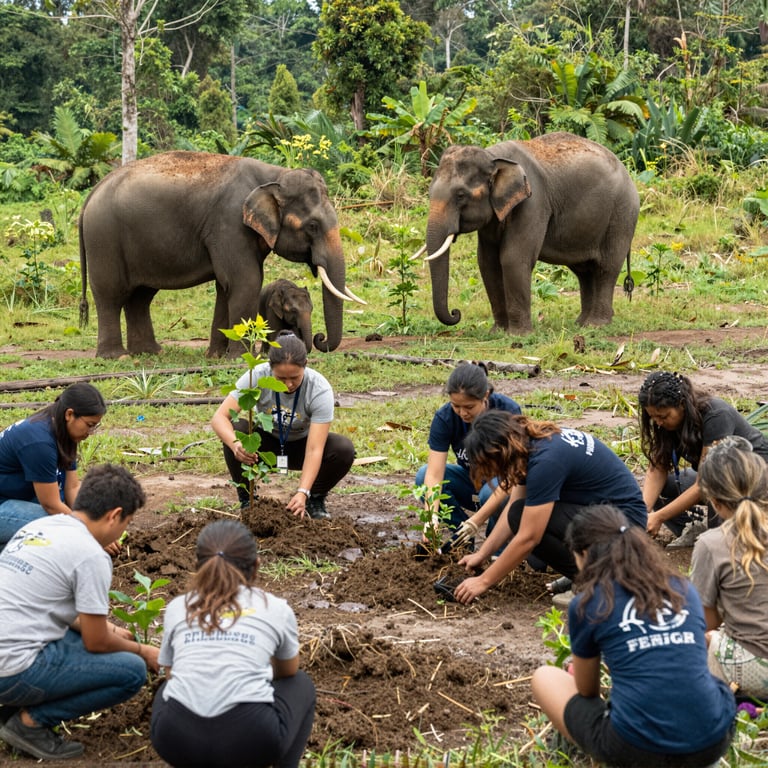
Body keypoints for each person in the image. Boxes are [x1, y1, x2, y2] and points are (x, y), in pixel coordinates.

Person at [531, 504, 736, 767]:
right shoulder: (681, 588)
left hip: (636, 750)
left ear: (584, 554)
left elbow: (587, 690)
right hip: (713, 740)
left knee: (544, 677)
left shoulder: (589, 602)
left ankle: (574, 756)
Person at [0, 464, 159, 761]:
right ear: (114, 515)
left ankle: (10, 709)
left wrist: (110, 629)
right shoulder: (91, 555)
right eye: (128, 521)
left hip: (6, 651)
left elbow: (44, 604)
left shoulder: (40, 526)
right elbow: (95, 643)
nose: (125, 531)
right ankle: (29, 724)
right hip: (10, 670)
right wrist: (143, 650)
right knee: (129, 670)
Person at [150, 519, 315, 768]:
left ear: (198, 567)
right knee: (301, 683)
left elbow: (172, 674)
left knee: (167, 690)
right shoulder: (275, 608)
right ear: (256, 566)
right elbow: (288, 672)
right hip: (251, 739)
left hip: (176, 739)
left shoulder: (177, 607)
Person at [453, 411, 647, 605]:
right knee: (517, 512)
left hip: (625, 531)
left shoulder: (546, 461)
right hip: (613, 521)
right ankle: (591, 572)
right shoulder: (532, 444)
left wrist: (483, 581)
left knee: (525, 522)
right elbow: (513, 506)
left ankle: (600, 580)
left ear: (501, 451)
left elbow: (529, 537)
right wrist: (482, 554)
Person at [211, 331, 355, 520]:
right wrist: (235, 445)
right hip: (264, 447)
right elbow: (219, 418)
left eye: (294, 377)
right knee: (236, 429)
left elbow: (314, 449)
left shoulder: (319, 389)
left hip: (300, 447)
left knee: (343, 449)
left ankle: (314, 500)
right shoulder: (257, 375)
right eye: (280, 378)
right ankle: (248, 501)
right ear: (270, 369)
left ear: (305, 366)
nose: (288, 384)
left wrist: (303, 491)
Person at [638, 370, 768, 544]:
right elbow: (657, 469)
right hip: (717, 479)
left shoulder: (715, 415)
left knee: (715, 489)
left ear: (682, 404)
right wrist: (641, 513)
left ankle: (722, 540)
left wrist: (659, 517)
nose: (659, 422)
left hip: (754, 482)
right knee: (664, 488)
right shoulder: (666, 425)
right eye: (653, 418)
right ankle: (694, 531)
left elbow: (705, 483)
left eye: (663, 416)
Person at [691, 436, 768, 701]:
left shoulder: (711, 544)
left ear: (713, 499)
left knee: (705, 637)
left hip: (755, 671)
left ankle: (719, 707)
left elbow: (705, 622)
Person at [414, 362, 522, 545]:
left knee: (492, 491)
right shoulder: (445, 418)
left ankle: (496, 546)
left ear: (485, 395)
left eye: (469, 407)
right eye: (456, 406)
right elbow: (434, 474)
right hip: (471, 483)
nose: (462, 413)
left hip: (502, 486)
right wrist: (430, 519)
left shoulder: (507, 411)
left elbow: (514, 477)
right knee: (422, 476)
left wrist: (476, 521)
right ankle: (461, 538)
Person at [0, 382, 107, 550]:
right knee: (58, 526)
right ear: (70, 414)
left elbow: (71, 487)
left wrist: (93, 523)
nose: (91, 432)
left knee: (70, 520)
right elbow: (51, 505)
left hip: (14, 497)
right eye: (90, 425)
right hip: (3, 504)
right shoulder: (38, 441)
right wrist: (90, 534)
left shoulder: (63, 431)